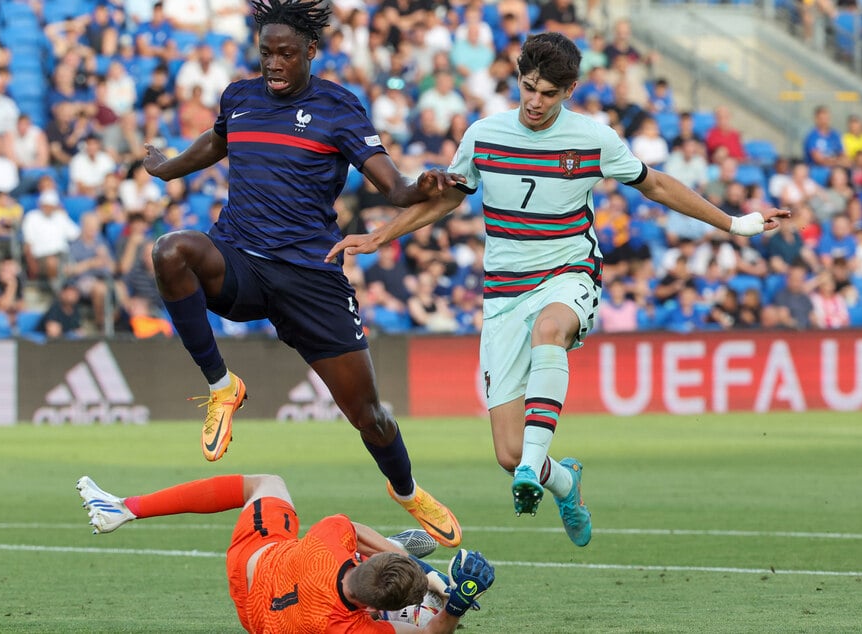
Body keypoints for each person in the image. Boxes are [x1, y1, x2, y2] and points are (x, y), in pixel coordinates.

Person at [327, 32, 790, 545]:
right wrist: (378, 236)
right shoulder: (484, 135)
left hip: (569, 271)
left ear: (569, 89)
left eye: (548, 93)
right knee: (507, 453)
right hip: (504, 293)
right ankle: (563, 480)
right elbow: (446, 201)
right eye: (527, 87)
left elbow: (655, 184)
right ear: (518, 79)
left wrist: (738, 223)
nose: (534, 101)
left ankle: (532, 468)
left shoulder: (594, 139)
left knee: (551, 330)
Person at [142, 0, 463, 548]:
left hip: (311, 278)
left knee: (370, 415)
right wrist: (166, 167)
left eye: (285, 53)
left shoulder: (339, 107)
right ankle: (223, 387)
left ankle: (407, 491)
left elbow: (391, 185)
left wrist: (419, 189)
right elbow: (217, 143)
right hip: (240, 260)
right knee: (171, 250)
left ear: (311, 52)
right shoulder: (240, 98)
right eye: (266, 52)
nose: (273, 63)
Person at [76, 472, 494, 633]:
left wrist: (424, 571)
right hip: (260, 624)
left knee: (265, 483)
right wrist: (454, 602)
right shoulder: (348, 628)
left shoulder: (328, 543)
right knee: (420, 628)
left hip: (252, 563)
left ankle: (128, 508)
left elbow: (358, 533)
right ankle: (410, 603)